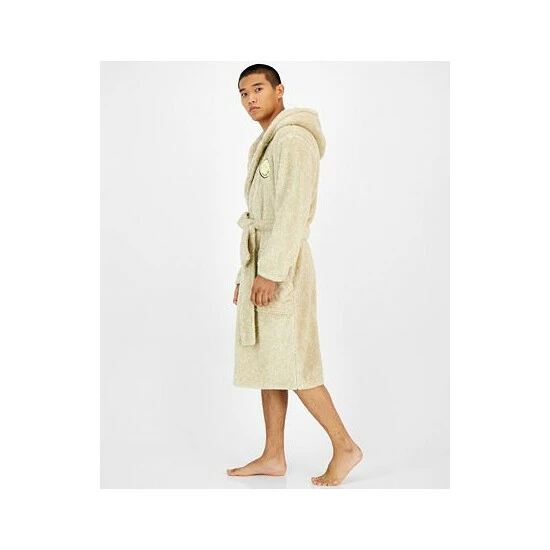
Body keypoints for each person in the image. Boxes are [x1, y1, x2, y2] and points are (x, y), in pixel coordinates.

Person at [228, 64, 363, 486]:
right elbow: (262, 216)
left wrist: (270, 272)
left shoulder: (293, 140)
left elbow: (292, 211)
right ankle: (273, 455)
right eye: (243, 93)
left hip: (283, 267)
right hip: (264, 262)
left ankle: (345, 446)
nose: (250, 98)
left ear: (279, 90)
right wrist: (246, 274)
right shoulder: (268, 142)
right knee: (270, 362)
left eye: (258, 88)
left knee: (294, 360)